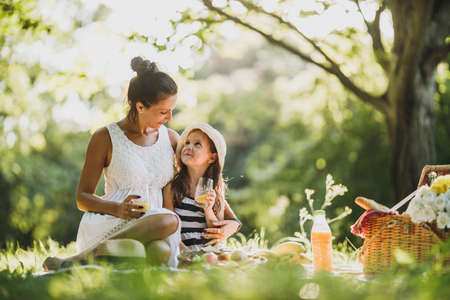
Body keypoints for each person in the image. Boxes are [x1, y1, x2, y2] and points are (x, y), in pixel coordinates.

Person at [44, 57, 181, 270]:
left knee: (160, 251)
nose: (170, 117)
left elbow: (197, 179)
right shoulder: (105, 137)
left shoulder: (171, 139)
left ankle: (80, 261)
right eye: (163, 111)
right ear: (140, 106)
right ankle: (92, 253)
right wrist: (118, 209)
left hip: (155, 228)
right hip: (113, 220)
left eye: (172, 109)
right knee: (168, 220)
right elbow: (82, 198)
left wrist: (224, 217)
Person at [163, 123, 241, 252]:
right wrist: (184, 253)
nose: (188, 147)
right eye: (187, 143)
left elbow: (216, 232)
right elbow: (169, 228)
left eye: (197, 144)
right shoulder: (172, 188)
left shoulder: (215, 191)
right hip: (183, 251)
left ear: (212, 157)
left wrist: (208, 210)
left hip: (209, 251)